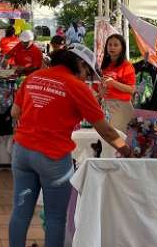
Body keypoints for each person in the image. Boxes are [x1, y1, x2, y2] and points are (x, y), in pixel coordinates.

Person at [9, 45, 131, 247]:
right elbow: (106, 130)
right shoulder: (77, 87)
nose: (86, 77)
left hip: (22, 152)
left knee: (21, 211)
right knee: (56, 217)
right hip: (53, 157)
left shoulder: (34, 77)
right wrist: (126, 150)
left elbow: (15, 112)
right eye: (87, 72)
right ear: (80, 64)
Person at [99, 34, 136, 132]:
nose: (112, 47)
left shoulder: (127, 66)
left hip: (121, 107)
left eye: (116, 45)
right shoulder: (106, 65)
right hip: (107, 106)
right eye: (109, 45)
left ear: (122, 48)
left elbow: (131, 90)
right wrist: (101, 91)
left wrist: (113, 83)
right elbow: (103, 85)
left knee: (119, 138)